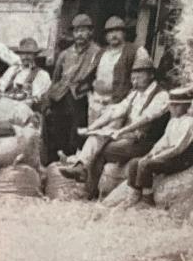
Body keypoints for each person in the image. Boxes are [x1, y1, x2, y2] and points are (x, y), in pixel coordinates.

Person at [62, 57, 169, 199]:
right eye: (133, 74)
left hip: (145, 141)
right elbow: (114, 111)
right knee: (96, 137)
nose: (135, 78)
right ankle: (81, 167)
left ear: (151, 75)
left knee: (104, 150)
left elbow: (146, 118)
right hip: (128, 136)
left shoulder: (161, 95)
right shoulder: (135, 94)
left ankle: (88, 189)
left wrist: (121, 131)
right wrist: (91, 128)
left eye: (140, 73)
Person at [124, 87, 193, 205]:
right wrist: (150, 153)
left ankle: (147, 198)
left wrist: (156, 157)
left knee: (146, 165)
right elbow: (163, 141)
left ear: (187, 106)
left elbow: (178, 147)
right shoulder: (173, 121)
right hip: (168, 154)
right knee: (134, 162)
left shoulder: (189, 122)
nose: (173, 108)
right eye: (171, 105)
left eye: (177, 106)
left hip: (181, 159)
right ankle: (134, 193)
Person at [45, 14, 101, 160]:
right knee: (57, 129)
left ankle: (72, 160)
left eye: (83, 30)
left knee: (76, 133)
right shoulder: (65, 54)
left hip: (81, 98)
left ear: (90, 32)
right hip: (61, 97)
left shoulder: (97, 53)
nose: (80, 34)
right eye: (76, 31)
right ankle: (56, 161)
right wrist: (51, 98)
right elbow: (56, 78)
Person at [88, 16, 151, 124]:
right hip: (96, 103)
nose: (113, 35)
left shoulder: (136, 51)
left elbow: (144, 81)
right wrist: (90, 98)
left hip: (118, 105)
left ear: (124, 33)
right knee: (93, 133)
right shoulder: (99, 53)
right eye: (110, 32)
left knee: (110, 137)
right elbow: (89, 77)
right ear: (106, 36)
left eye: (117, 30)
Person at [0, 37, 52, 110]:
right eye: (22, 53)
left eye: (29, 53)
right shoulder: (12, 70)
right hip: (6, 108)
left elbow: (35, 100)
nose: (25, 57)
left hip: (26, 111)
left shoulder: (42, 74)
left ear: (35, 55)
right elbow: (1, 89)